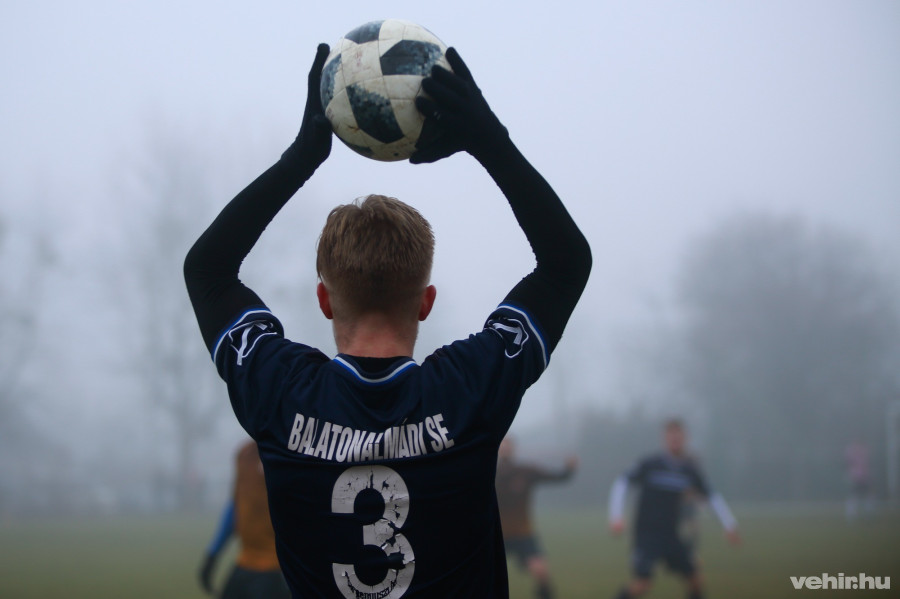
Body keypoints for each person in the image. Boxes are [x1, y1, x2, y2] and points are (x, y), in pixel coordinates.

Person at [183, 41, 591, 598]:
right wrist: (487, 139)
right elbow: (566, 264)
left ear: (324, 300)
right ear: (426, 302)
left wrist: (302, 156)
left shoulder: (280, 391)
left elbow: (207, 269)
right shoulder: (470, 387)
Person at [607, 419, 740, 599]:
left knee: (695, 580)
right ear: (665, 438)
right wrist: (616, 516)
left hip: (671, 535)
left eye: (679, 436)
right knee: (642, 584)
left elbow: (711, 496)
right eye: (671, 436)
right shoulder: (650, 464)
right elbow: (622, 483)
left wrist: (729, 525)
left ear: (685, 438)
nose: (675, 440)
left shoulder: (689, 470)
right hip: (646, 536)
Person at [199, 440, 290, 599]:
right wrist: (213, 554)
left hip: (276, 567)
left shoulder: (291, 455)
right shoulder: (245, 454)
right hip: (246, 561)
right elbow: (237, 505)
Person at [495, 436, 577, 599]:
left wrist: (569, 469)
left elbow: (557, 477)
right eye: (501, 446)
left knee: (541, 571)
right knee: (484, 577)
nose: (505, 450)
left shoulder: (525, 471)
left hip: (522, 532)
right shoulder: (489, 473)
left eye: (508, 446)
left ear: (513, 449)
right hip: (497, 535)